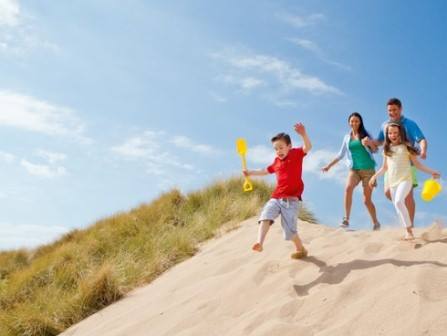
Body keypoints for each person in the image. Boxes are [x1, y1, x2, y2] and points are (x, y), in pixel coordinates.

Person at [243, 123, 311, 259]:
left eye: (281, 147)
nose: (278, 151)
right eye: (275, 149)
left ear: (289, 146)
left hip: (291, 201)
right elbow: (264, 171)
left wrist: (303, 134)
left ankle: (300, 249)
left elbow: (307, 147)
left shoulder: (296, 154)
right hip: (276, 197)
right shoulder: (276, 162)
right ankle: (259, 242)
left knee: (289, 232)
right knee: (265, 215)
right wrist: (250, 172)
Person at [369, 123, 440, 240]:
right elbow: (384, 168)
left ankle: (409, 231)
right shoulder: (386, 150)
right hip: (392, 182)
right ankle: (407, 232)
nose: (393, 135)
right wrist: (374, 177)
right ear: (387, 135)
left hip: (405, 180)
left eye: (395, 133)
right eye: (390, 133)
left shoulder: (407, 147)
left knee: (398, 201)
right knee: (398, 208)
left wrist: (432, 172)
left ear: (400, 133)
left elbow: (417, 165)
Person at [363, 98, 427, 227]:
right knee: (388, 192)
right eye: (389, 110)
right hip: (390, 165)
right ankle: (404, 216)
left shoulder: (410, 123)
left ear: (401, 109)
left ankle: (410, 225)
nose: (392, 113)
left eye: (394, 110)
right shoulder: (385, 125)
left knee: (408, 196)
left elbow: (421, 139)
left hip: (408, 164)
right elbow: (380, 141)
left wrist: (423, 150)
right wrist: (369, 142)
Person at [322, 112, 381, 230]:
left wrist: (369, 143)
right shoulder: (347, 137)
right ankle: (346, 219)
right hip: (354, 169)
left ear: (360, 123)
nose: (354, 123)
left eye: (357, 121)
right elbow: (340, 154)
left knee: (366, 200)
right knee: (348, 188)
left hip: (368, 170)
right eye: (352, 121)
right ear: (349, 122)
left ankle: (375, 223)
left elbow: (375, 150)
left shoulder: (365, 134)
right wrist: (329, 166)